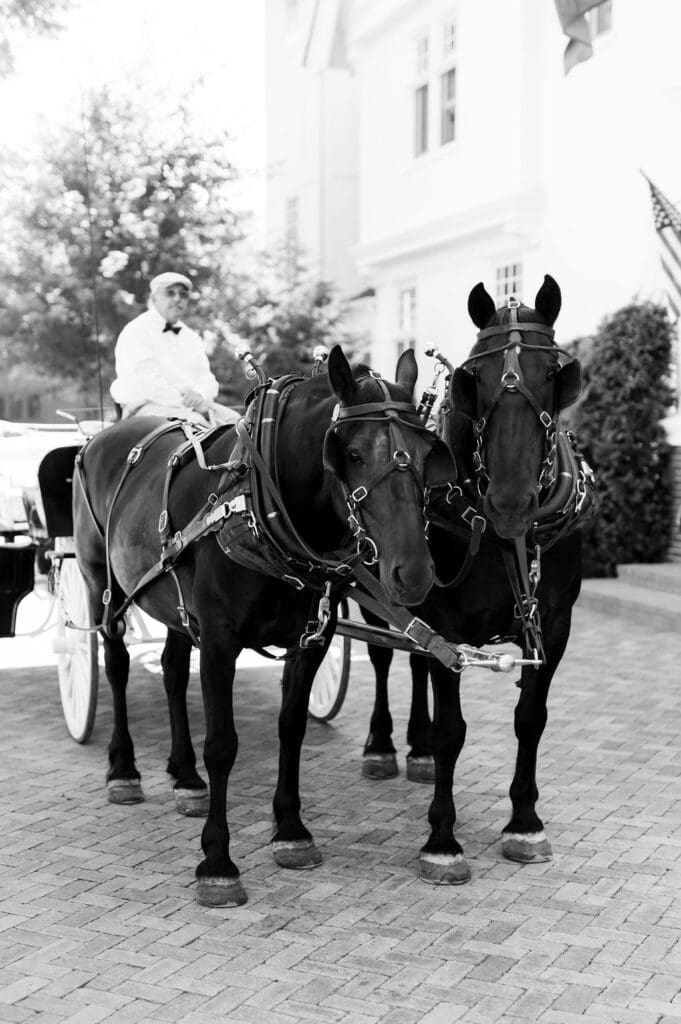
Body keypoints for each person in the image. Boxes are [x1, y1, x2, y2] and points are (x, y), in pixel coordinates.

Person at [110, 271, 239, 426]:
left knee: (238, 424)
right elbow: (146, 382)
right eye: (170, 293)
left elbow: (206, 377)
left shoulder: (191, 337)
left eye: (183, 295)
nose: (177, 299)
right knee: (196, 426)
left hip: (194, 406)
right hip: (145, 407)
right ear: (154, 298)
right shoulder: (136, 331)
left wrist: (200, 395)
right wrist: (185, 402)